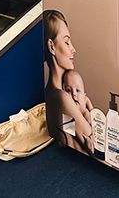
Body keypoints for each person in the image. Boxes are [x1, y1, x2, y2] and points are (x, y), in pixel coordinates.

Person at [43, 9, 93, 154]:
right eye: (67, 42)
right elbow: (91, 135)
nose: (73, 49)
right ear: (52, 46)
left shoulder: (52, 91)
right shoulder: (62, 97)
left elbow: (70, 130)